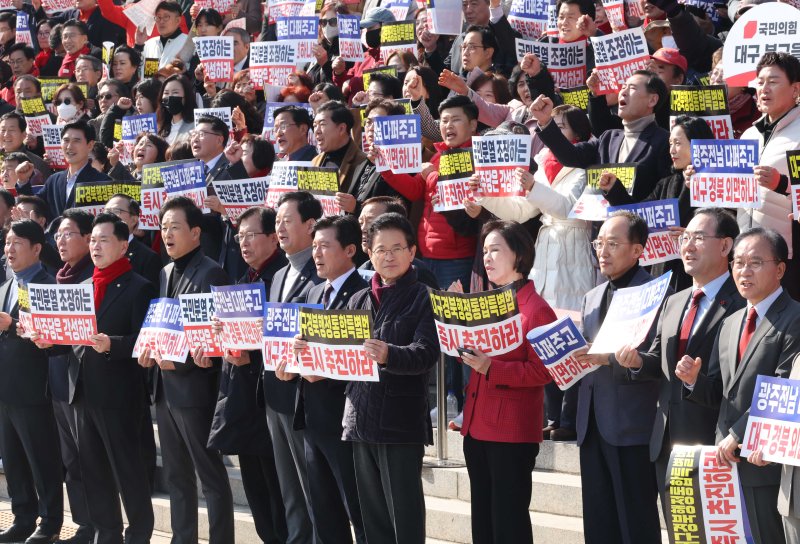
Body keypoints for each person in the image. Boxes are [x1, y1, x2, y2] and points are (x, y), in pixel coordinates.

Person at [37, 213, 156, 544]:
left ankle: (138, 535)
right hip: (81, 393)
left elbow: (145, 341)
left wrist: (112, 345)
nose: (96, 246)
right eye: (93, 240)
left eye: (104, 240)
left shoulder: (139, 287)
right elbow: (72, 338)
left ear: (123, 245)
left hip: (119, 396)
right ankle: (106, 535)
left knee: (129, 474)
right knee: (94, 474)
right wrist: (49, 341)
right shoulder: (83, 287)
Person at [615, 208, 745, 504]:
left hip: (714, 444)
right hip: (667, 442)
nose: (687, 246)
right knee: (680, 532)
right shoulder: (674, 301)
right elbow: (659, 361)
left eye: (698, 238)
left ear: (725, 246)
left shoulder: (742, 303)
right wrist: (636, 361)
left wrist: (695, 380)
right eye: (684, 238)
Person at [679, 227, 800, 544]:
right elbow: (722, 392)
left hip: (766, 464)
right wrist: (694, 382)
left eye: (756, 263)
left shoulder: (795, 318)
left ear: (780, 269)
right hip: (725, 465)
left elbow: (784, 387)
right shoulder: (731, 321)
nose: (744, 271)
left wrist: (737, 436)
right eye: (738, 263)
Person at [137, 197, 234, 544]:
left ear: (195, 232)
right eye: (163, 228)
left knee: (210, 477)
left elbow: (219, 335)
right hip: (165, 389)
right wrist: (150, 351)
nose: (167, 234)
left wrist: (188, 358)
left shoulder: (212, 272)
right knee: (177, 477)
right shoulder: (164, 272)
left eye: (174, 227)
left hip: (196, 391)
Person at [456, 220, 554, 544]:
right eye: (484, 251)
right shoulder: (485, 303)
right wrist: (456, 323)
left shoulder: (536, 309)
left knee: (508, 522)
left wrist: (490, 368)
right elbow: (474, 359)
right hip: (476, 425)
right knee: (482, 521)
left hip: (511, 432)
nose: (487, 257)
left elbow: (543, 372)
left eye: (495, 249)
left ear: (519, 256)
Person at [344, 212, 439, 544]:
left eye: (397, 248)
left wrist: (389, 355)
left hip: (400, 421)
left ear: (412, 252)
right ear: (369, 253)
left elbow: (427, 353)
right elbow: (341, 355)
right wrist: (311, 349)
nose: (388, 256)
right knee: (373, 521)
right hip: (360, 419)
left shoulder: (424, 296)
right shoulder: (357, 299)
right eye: (381, 249)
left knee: (405, 516)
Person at [572, 210, 664, 544]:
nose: (603, 251)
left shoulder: (655, 293)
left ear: (638, 250)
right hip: (591, 423)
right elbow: (586, 354)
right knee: (598, 522)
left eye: (613, 243)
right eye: (599, 243)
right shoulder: (591, 296)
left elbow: (655, 359)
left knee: (635, 522)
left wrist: (613, 359)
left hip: (631, 426)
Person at [281, 214, 368, 544]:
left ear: (349, 250)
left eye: (324, 247)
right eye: (314, 246)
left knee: (355, 508)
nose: (316, 254)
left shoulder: (363, 294)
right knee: (324, 513)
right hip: (312, 417)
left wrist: (324, 370)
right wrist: (289, 362)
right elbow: (305, 349)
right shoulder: (314, 293)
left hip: (347, 420)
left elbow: (361, 358)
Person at [207, 206, 289, 544]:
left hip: (271, 402)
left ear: (273, 238)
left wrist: (250, 359)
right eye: (239, 237)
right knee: (256, 493)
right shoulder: (242, 281)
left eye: (251, 235)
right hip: (243, 403)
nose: (244, 243)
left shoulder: (281, 281)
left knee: (278, 493)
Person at [261, 191, 323, 544]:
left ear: (310, 225)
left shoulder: (319, 276)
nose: (279, 228)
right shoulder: (279, 273)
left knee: (312, 487)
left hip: (306, 395)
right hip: (275, 393)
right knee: (289, 491)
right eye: (277, 221)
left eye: (287, 220)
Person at [375, 94, 479, 292]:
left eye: (456, 120)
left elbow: (455, 197)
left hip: (457, 258)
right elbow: (415, 191)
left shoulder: (476, 157)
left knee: (451, 318)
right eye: (445, 120)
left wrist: (431, 176)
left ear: (473, 125)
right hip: (426, 253)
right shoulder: (438, 157)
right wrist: (384, 165)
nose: (448, 126)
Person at [0, 219, 63, 544]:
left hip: (35, 388)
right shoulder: (5, 285)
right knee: (12, 460)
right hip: (6, 388)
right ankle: (23, 517)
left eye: (17, 243)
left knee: (42, 460)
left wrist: (11, 325)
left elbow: (50, 337)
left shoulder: (47, 286)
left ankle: (50, 522)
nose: (9, 249)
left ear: (37, 249)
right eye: (8, 242)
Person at [601, 114, 716, 291]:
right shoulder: (666, 183)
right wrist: (615, 190)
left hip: (696, 275)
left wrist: (693, 236)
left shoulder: (718, 185)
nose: (672, 150)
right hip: (662, 273)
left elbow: (725, 227)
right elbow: (637, 217)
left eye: (678, 143)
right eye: (670, 144)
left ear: (697, 145)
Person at [531, 71, 672, 202]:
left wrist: (616, 192)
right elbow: (570, 156)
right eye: (623, 87)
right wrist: (545, 122)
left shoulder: (664, 141)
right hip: (602, 225)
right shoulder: (608, 138)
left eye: (633, 88)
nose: (623, 92)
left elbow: (664, 196)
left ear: (652, 100)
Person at [47, 210, 96, 544]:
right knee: (70, 459)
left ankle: (99, 523)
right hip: (58, 377)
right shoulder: (58, 277)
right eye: (58, 236)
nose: (60, 241)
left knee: (89, 457)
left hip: (85, 381)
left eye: (68, 234)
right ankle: (83, 523)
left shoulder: (94, 279)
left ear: (87, 239)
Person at [17, 119, 110, 220]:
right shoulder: (54, 180)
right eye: (66, 141)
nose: (69, 147)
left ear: (90, 145)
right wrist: (23, 181)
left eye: (76, 141)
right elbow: (34, 206)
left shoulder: (103, 182)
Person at [356, 196, 438, 289]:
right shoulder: (362, 269)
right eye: (361, 222)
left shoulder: (419, 273)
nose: (363, 229)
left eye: (371, 221)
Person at [424, 0, 518, 77]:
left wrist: (495, 8)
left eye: (474, 4)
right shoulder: (460, 38)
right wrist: (430, 48)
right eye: (464, 4)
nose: (468, 10)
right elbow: (445, 75)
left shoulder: (506, 38)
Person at [311, 100, 368, 214]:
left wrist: (355, 207)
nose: (316, 131)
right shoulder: (315, 161)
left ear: (342, 128)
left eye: (322, 124)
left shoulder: (363, 162)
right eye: (314, 125)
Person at [104, 193, 162, 286]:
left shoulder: (148, 258)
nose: (109, 215)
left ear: (134, 220)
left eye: (116, 211)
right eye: (106, 211)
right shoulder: (97, 251)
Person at [142, 1, 193, 69]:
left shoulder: (188, 43)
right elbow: (147, 75)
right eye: (158, 17)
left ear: (178, 20)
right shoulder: (149, 44)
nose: (161, 21)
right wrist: (138, 45)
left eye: (166, 17)